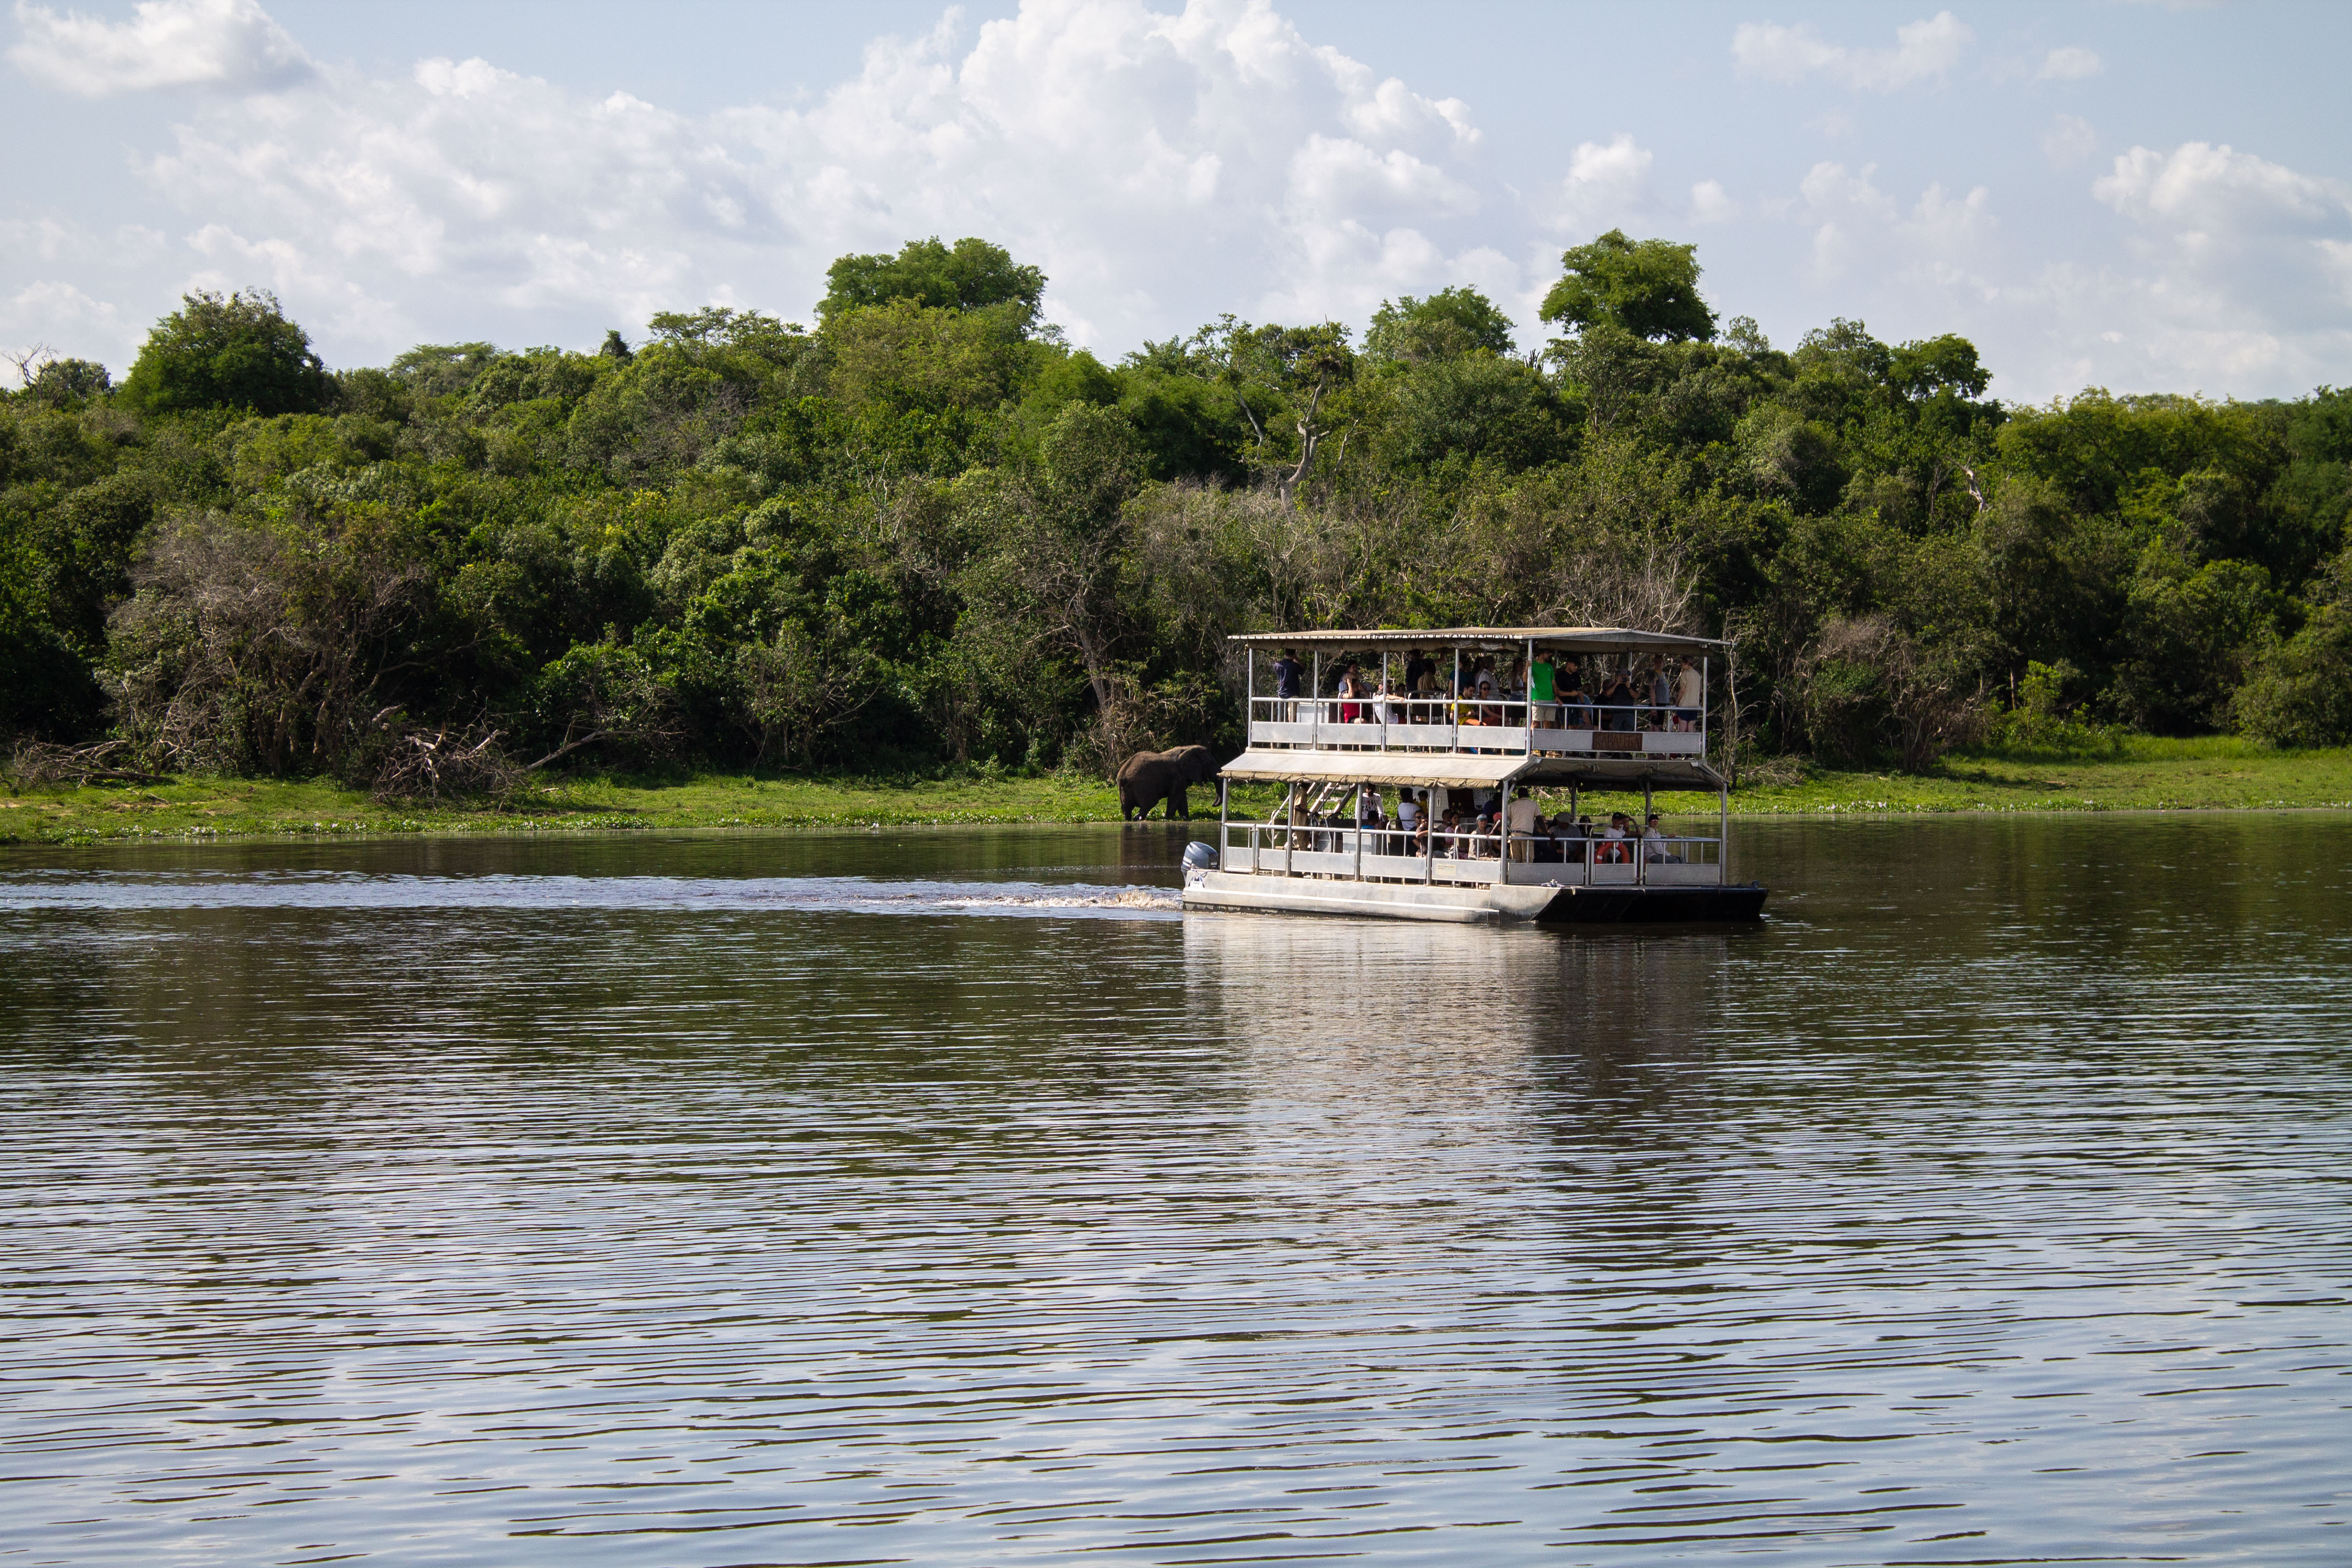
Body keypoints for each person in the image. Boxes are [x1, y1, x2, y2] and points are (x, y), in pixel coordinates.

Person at [1272, 647, 1303, 721]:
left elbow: (1276, 668)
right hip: (1292, 694)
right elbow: (1303, 671)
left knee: (1289, 709)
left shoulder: (1278, 665)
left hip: (1281, 693)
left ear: (1285, 654)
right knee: (1292, 714)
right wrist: (1297, 659)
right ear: (1294, 654)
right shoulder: (1294, 666)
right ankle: (1291, 723)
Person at [1675, 658, 1705, 733]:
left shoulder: (1685, 674)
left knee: (1683, 727)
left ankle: (1682, 743)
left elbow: (1682, 690)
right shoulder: (1697, 675)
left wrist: (1677, 701)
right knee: (1691, 727)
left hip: (1685, 704)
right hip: (1695, 705)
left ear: (1687, 664)